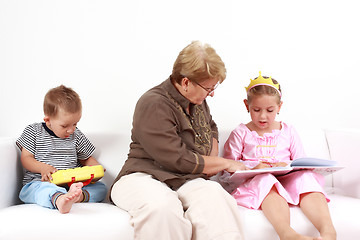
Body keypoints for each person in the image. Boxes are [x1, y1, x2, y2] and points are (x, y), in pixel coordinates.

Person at [110, 41, 246, 240]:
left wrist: (211, 155)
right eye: (208, 88)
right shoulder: (154, 103)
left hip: (185, 179)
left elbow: (212, 128)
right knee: (162, 207)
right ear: (185, 82)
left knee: (216, 198)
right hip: (143, 176)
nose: (212, 93)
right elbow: (178, 158)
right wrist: (224, 163)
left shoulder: (198, 101)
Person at [222, 72, 337, 240]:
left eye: (270, 110)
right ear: (247, 105)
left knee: (306, 177)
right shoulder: (241, 133)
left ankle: (329, 232)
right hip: (257, 183)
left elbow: (300, 161)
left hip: (287, 180)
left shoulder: (288, 131)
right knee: (266, 179)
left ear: (279, 107)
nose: (263, 116)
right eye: (256, 110)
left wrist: (288, 165)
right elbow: (227, 172)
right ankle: (287, 233)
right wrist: (253, 168)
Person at [16, 85, 107, 214]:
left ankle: (77, 196)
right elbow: (26, 158)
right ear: (48, 120)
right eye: (65, 125)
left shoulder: (77, 135)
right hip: (41, 182)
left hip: (71, 184)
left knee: (101, 188)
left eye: (75, 124)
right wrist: (43, 168)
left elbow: (86, 159)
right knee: (38, 190)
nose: (71, 130)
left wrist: (95, 170)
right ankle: (59, 199)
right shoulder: (33, 131)